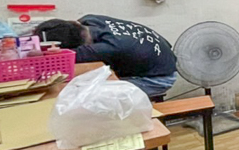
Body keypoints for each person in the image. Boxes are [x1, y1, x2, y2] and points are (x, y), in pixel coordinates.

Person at [37, 15, 177, 98]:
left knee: (91, 96)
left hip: (159, 78)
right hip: (160, 59)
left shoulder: (108, 48)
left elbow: (61, 59)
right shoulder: (91, 20)